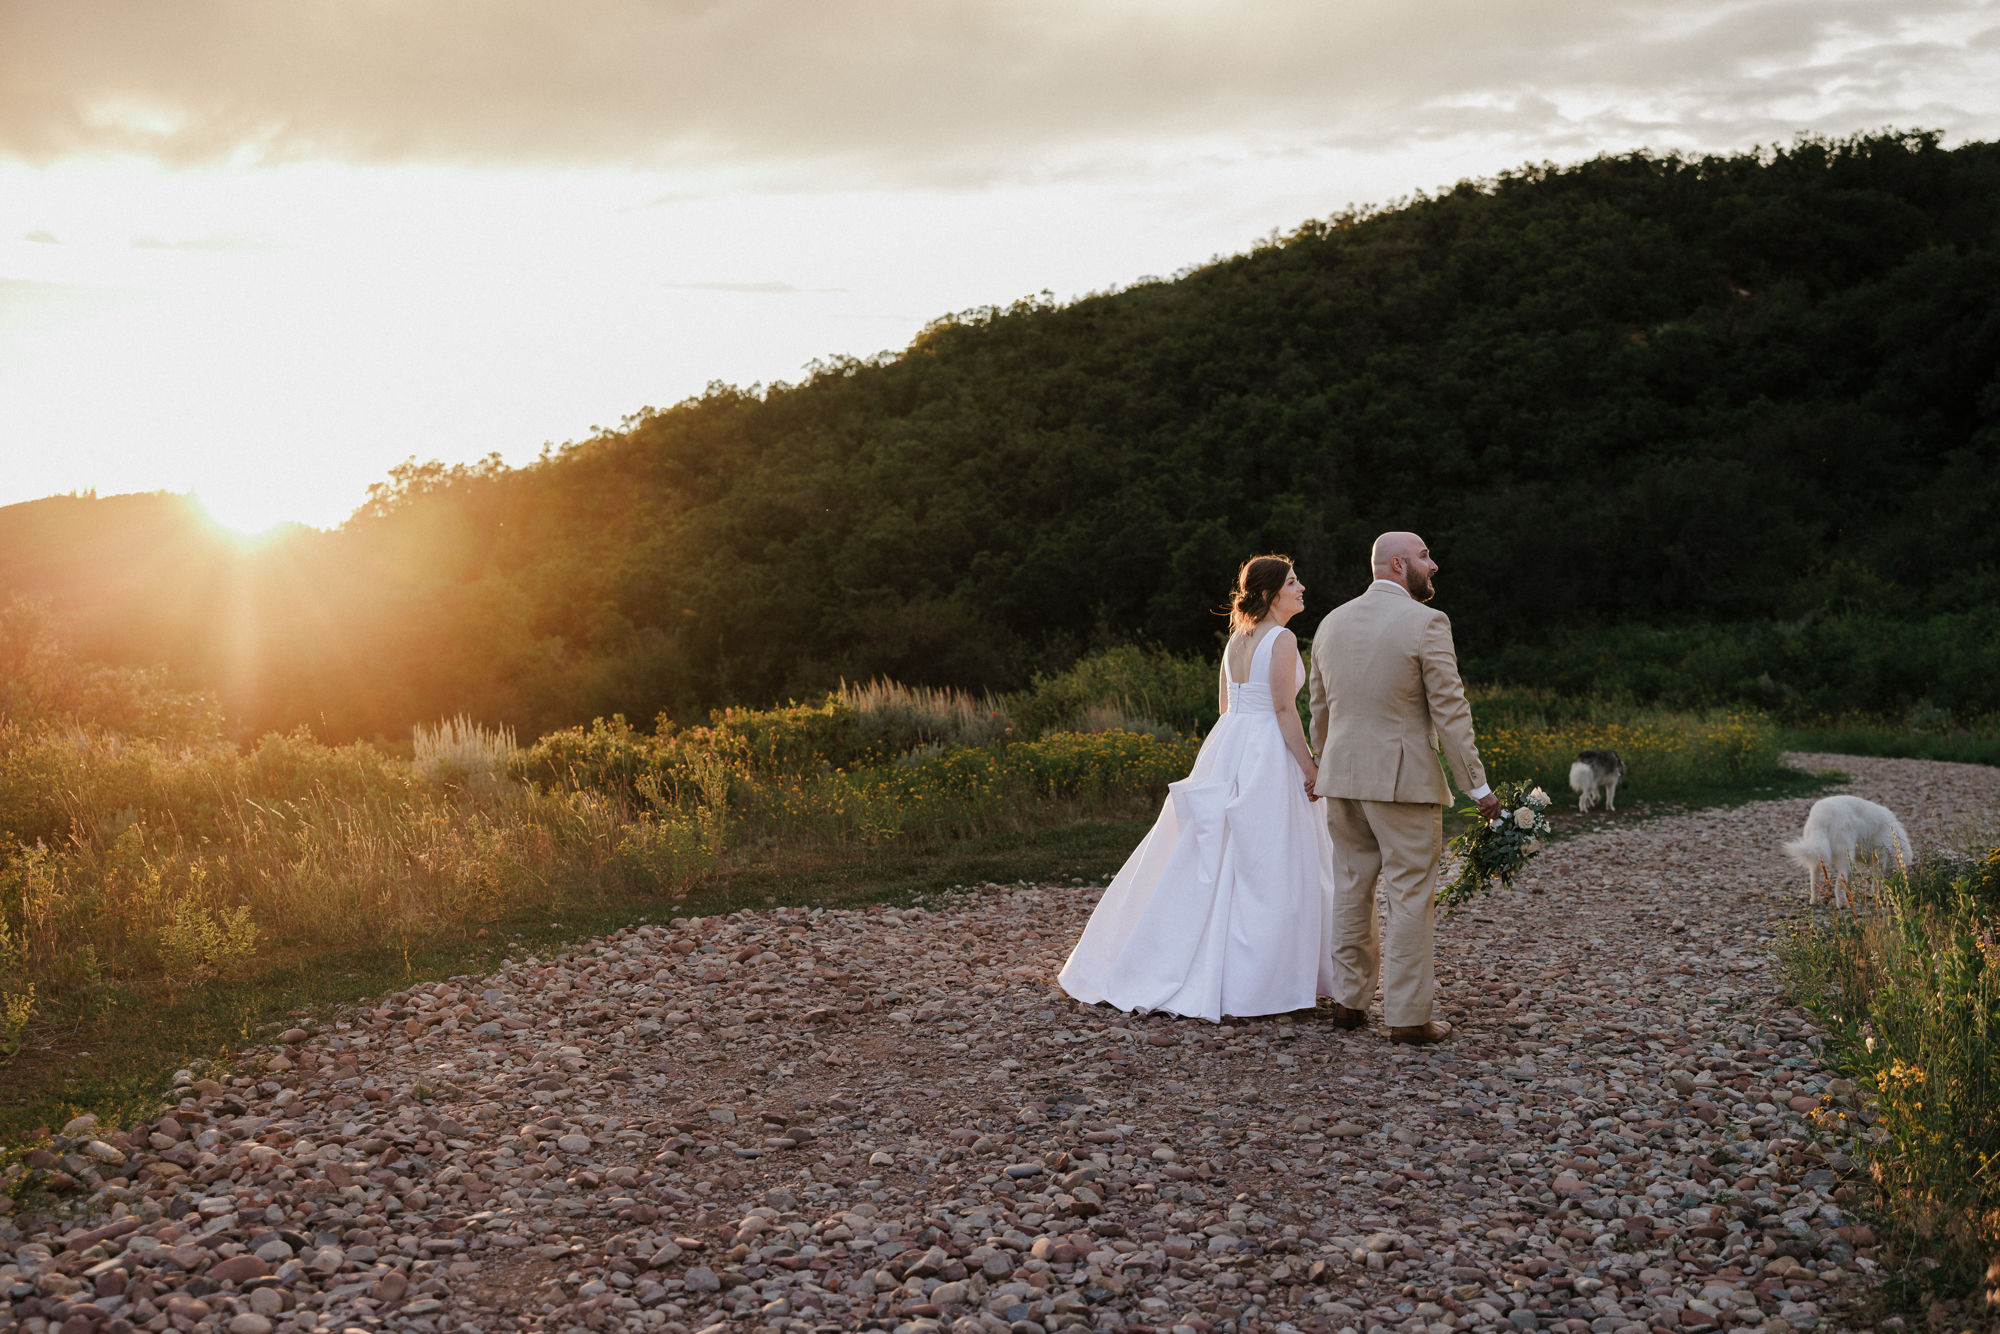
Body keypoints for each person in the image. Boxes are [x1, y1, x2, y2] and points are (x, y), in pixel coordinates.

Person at [1058, 556, 1336, 1021]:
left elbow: (1226, 706)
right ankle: (1264, 982)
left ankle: (1200, 963)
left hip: (1229, 744)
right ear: (1270, 594)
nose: (1302, 587)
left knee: (1219, 853)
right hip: (1268, 749)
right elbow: (1286, 711)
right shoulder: (1283, 639)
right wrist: (1311, 769)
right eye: (1292, 582)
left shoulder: (1235, 641)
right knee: (1270, 860)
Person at [1307, 531, 1500, 1045]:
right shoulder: (1426, 623)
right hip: (1401, 782)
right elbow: (1451, 712)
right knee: (1411, 896)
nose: (1433, 565)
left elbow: (1319, 712)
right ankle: (1409, 1019)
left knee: (1353, 888)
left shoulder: (1330, 623)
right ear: (1398, 564)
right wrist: (1478, 787)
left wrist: (1325, 766)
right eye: (1424, 556)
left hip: (1343, 779)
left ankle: (1348, 1005)